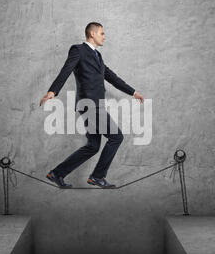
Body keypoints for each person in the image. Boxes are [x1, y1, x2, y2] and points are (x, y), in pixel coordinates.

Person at [39, 22, 144, 188]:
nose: (104, 36)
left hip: (95, 105)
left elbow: (112, 77)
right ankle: (97, 176)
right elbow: (66, 70)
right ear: (92, 34)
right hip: (89, 105)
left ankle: (57, 173)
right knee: (116, 137)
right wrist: (52, 91)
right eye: (102, 33)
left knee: (93, 146)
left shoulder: (98, 56)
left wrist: (133, 92)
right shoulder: (78, 50)